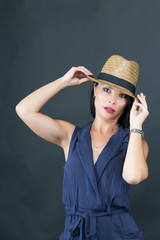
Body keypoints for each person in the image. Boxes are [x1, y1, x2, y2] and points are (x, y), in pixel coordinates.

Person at [15, 55, 149, 240]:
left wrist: (137, 126)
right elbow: (24, 110)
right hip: (75, 232)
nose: (112, 100)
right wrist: (63, 82)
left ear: (129, 103)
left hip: (118, 233)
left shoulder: (135, 141)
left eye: (122, 95)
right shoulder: (71, 136)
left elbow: (133, 177)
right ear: (95, 89)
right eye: (107, 90)